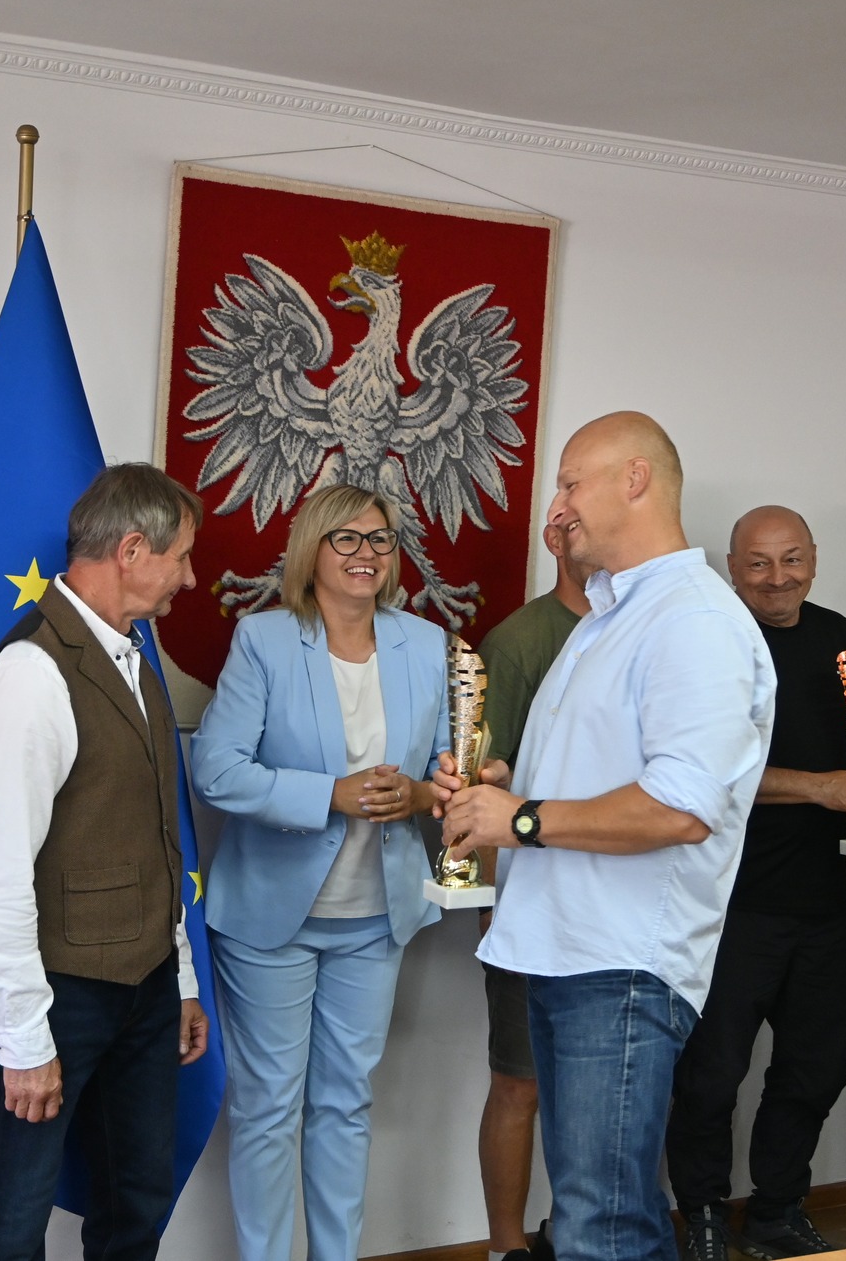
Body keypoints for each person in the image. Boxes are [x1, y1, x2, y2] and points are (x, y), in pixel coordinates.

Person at [438, 412, 776, 1261]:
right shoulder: (609, 615)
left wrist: (518, 819)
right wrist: (500, 785)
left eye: (569, 483)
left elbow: (681, 807)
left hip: (620, 962)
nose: (557, 508)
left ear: (635, 480)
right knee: (599, 1217)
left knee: (604, 1225)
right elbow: (593, 775)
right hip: (568, 951)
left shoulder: (694, 618)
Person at [0, 463, 212, 1261]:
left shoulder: (133, 658)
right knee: (10, 1222)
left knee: (137, 1204)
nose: (189, 578)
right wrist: (22, 1040)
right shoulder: (32, 674)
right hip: (59, 996)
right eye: (181, 557)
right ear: (132, 550)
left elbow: (151, 838)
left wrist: (179, 980)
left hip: (145, 990)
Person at [191, 483, 451, 1261]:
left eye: (380, 539)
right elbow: (217, 770)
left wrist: (424, 793)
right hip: (272, 919)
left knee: (345, 1104)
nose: (367, 553)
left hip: (377, 917)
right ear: (313, 548)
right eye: (348, 538)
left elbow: (448, 770)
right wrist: (330, 795)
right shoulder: (266, 639)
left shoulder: (425, 643)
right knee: (269, 1109)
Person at [666, 506, 846, 1261]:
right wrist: (818, 788)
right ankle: (702, 1213)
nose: (776, 578)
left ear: (814, 559)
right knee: (711, 1075)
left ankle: (776, 1209)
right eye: (758, 563)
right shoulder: (711, 638)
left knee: (817, 1068)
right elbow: (700, 775)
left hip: (821, 898)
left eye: (791, 559)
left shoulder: (837, 633)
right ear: (731, 567)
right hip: (730, 901)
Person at [474, 516, 594, 1261]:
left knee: (599, 1092)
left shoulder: (639, 633)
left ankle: (576, 1238)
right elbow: (482, 776)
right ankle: (506, 1247)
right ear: (555, 540)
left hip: (614, 901)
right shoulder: (520, 641)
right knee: (520, 1082)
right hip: (532, 901)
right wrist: (493, 903)